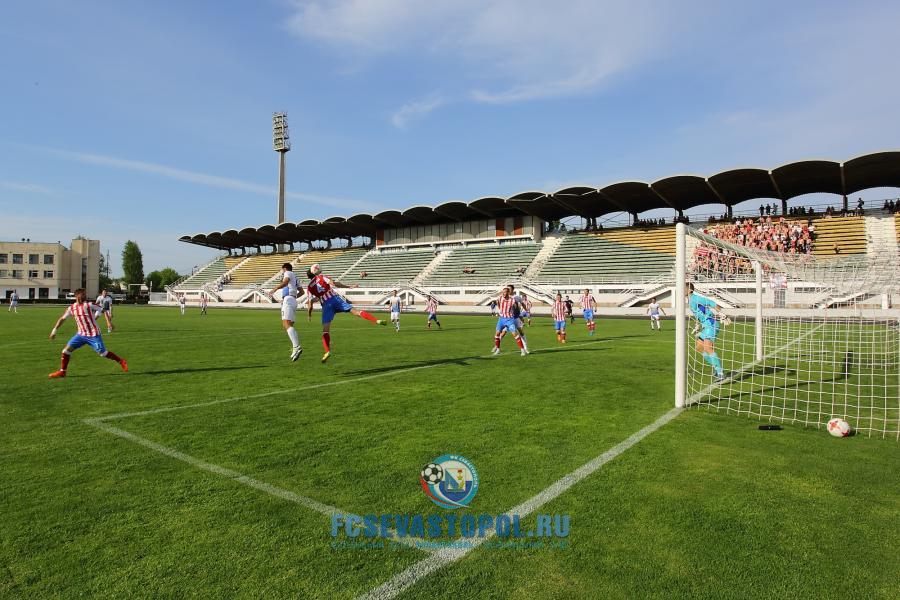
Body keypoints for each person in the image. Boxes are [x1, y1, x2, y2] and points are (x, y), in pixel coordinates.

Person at [305, 263, 386, 364]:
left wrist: (309, 314)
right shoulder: (321, 277)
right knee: (356, 312)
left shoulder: (309, 287)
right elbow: (334, 283)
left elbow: (310, 304)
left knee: (325, 330)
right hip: (335, 299)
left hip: (326, 305)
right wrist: (348, 286)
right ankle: (376, 320)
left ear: (308, 276)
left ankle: (327, 351)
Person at [47, 288, 127, 378]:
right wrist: (54, 331)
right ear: (77, 296)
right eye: (83, 294)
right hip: (81, 335)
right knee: (65, 351)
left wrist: (109, 323)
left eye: (85, 294)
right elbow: (62, 319)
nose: (85, 296)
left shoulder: (89, 305)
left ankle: (121, 361)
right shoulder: (71, 308)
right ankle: (62, 371)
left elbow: (103, 310)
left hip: (93, 334)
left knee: (103, 353)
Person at [688, 282, 725, 381]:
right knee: (699, 348)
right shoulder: (690, 300)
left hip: (711, 324)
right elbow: (699, 313)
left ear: (689, 290)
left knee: (708, 348)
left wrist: (722, 314)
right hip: (706, 326)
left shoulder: (695, 298)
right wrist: (697, 324)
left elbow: (711, 303)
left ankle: (720, 373)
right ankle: (717, 367)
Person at [271, 262, 303, 362]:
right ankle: (295, 347)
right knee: (289, 325)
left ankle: (296, 347)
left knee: (286, 324)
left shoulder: (288, 273)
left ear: (285, 269)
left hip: (288, 300)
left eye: (282, 270)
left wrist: (275, 288)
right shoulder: (295, 277)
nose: (282, 272)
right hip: (292, 300)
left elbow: (285, 282)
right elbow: (302, 292)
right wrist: (293, 297)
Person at [490, 286, 527, 357]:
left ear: (508, 293)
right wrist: (500, 309)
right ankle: (498, 349)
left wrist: (515, 313)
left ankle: (522, 350)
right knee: (497, 334)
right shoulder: (500, 298)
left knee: (515, 334)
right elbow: (497, 302)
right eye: (503, 292)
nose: (503, 293)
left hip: (509, 319)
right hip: (501, 319)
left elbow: (516, 307)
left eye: (505, 292)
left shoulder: (512, 300)